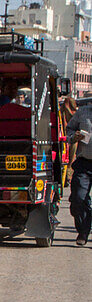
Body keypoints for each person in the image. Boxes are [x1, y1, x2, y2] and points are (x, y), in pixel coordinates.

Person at [65, 97, 92, 245]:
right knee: (78, 199)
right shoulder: (82, 112)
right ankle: (83, 231)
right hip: (84, 164)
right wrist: (73, 137)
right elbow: (69, 129)